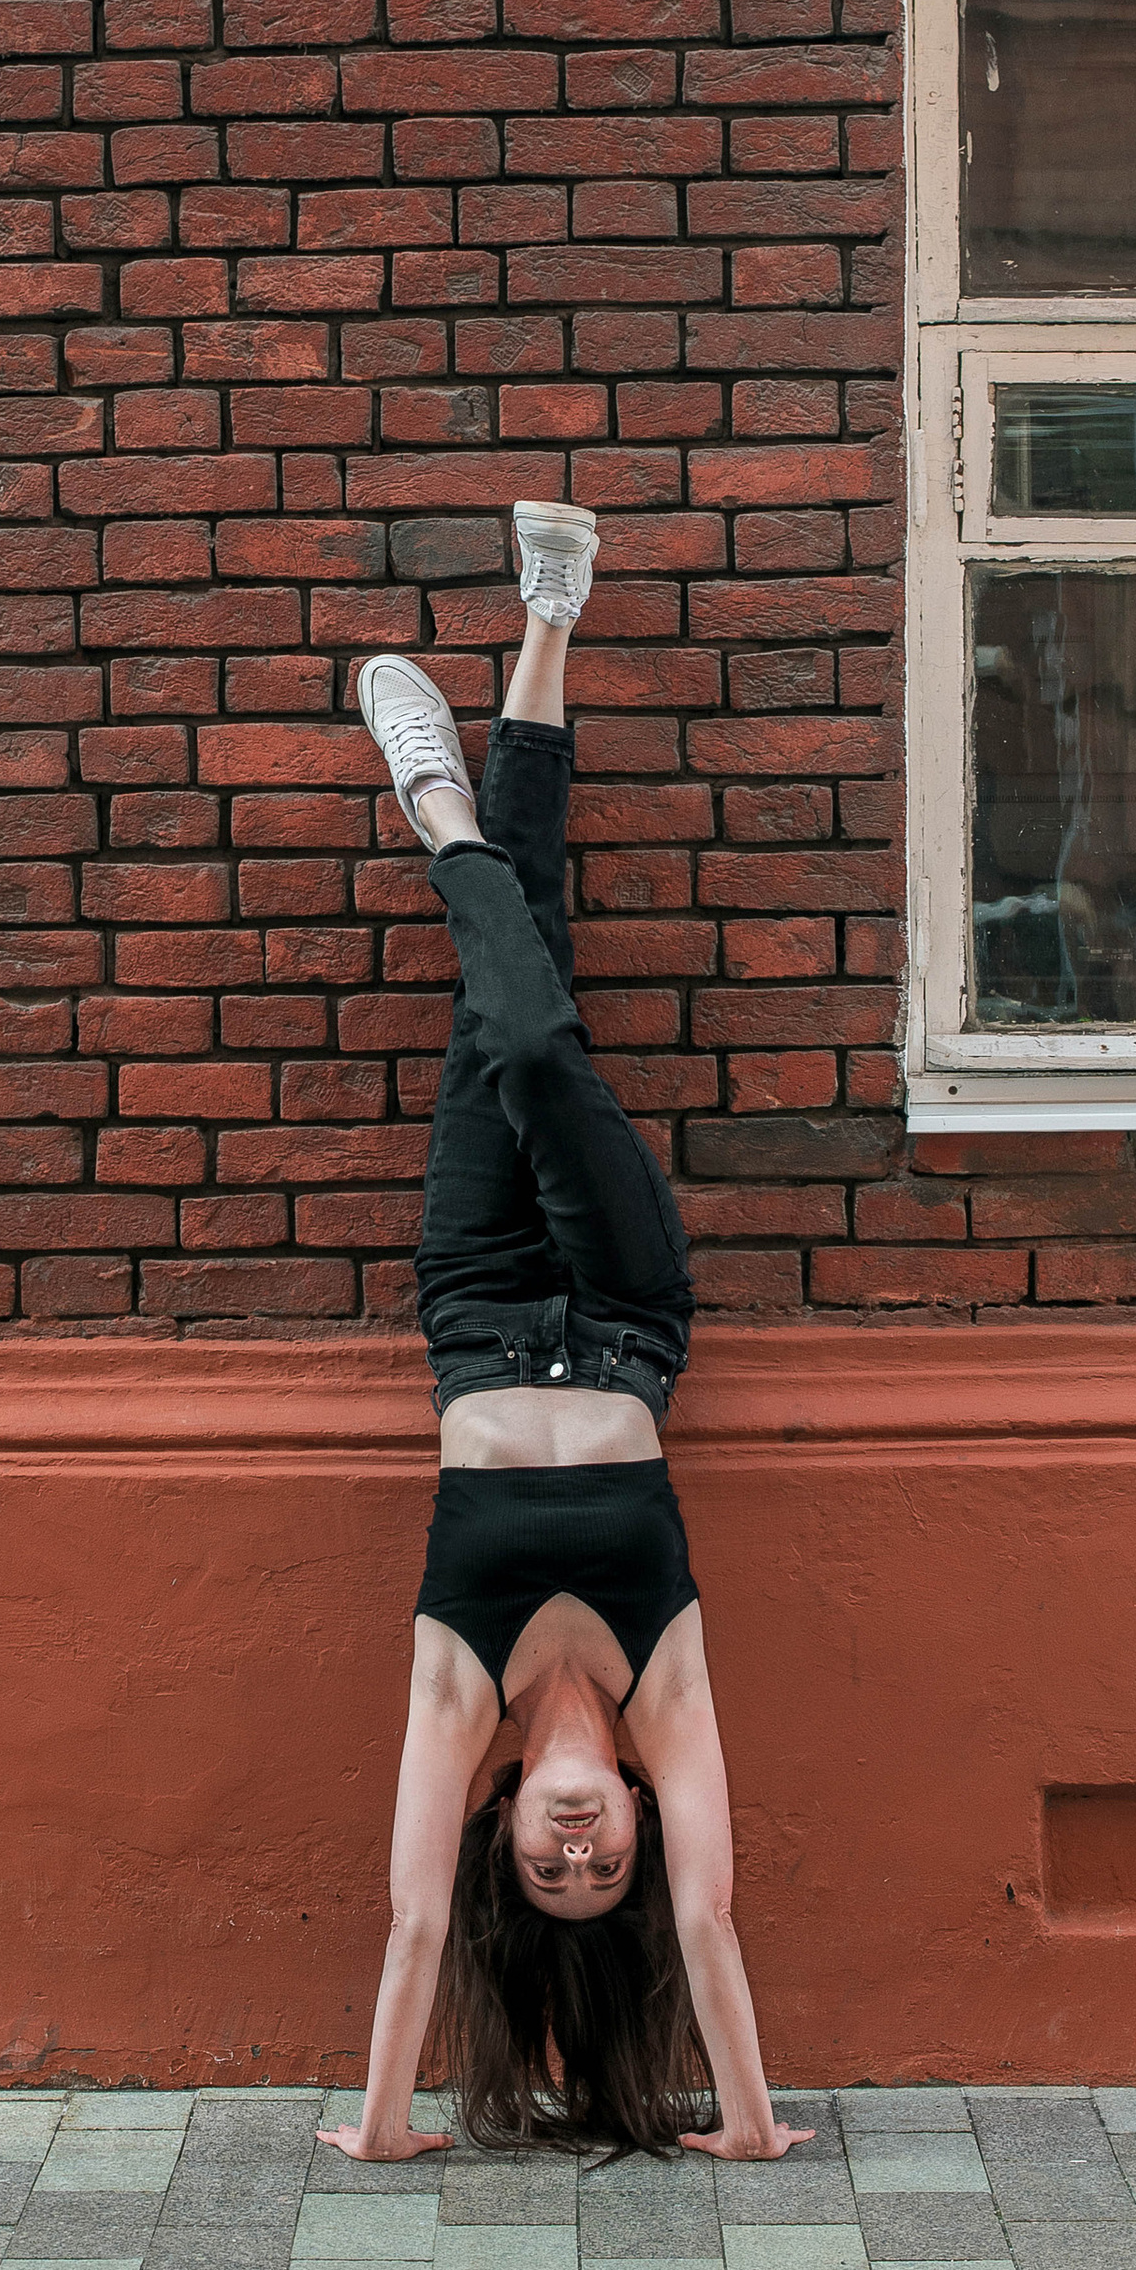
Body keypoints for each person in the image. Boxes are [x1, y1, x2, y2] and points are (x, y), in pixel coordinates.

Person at [319, 500, 808, 2169]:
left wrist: (382, 2128)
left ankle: (549, 625)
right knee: (529, 1043)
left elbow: (408, 1932)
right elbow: (716, 1926)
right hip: (616, 1315)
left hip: (471, 1307)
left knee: (510, 990)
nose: (584, 1852)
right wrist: (749, 2127)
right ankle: (438, 796)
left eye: (553, 1865)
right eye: (607, 1866)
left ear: (505, 1831)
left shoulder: (462, 1702)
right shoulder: (665, 1699)